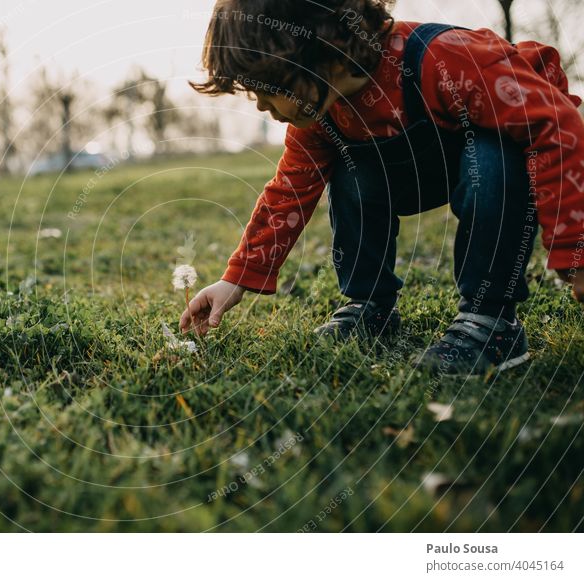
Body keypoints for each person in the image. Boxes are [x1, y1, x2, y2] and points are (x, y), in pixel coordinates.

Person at [179, 0, 584, 374]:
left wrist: (575, 252)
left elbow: (555, 127)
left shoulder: (445, 59)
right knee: (350, 168)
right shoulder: (322, 111)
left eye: (269, 89)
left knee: (492, 155)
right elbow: (289, 189)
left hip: (489, 170)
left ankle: (490, 320)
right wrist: (237, 278)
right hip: (411, 173)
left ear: (323, 47)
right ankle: (369, 307)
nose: (263, 107)